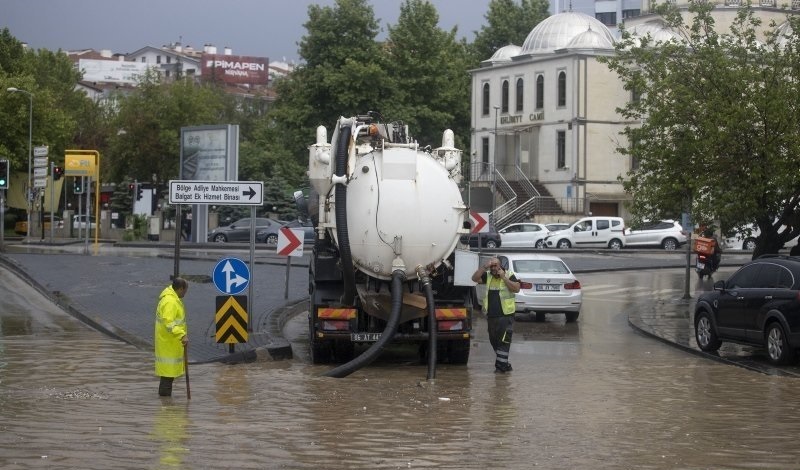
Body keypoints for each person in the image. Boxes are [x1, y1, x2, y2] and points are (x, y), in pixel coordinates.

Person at [472, 257, 520, 373]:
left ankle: (500, 369)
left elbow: (516, 288)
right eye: (492, 266)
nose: (493, 268)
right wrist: (484, 267)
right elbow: (474, 278)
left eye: (495, 265)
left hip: (506, 315)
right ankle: (505, 364)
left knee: (503, 342)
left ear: (500, 266)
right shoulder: (488, 275)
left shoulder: (509, 274)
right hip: (492, 316)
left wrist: (504, 277)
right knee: (494, 341)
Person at [155, 277, 189, 397]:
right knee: (167, 378)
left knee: (167, 377)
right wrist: (182, 335)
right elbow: (169, 323)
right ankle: (166, 408)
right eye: (185, 291)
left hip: (169, 344)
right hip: (168, 345)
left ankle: (165, 405)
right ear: (180, 289)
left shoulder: (172, 299)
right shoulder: (170, 302)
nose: (185, 293)